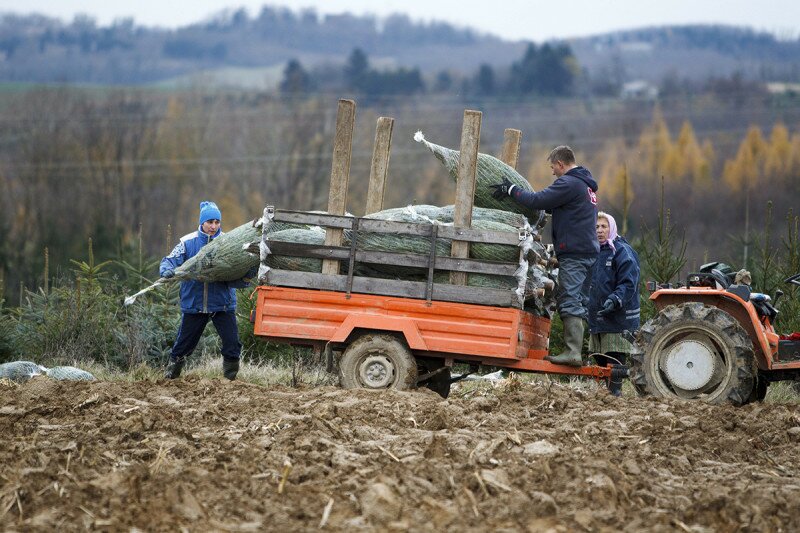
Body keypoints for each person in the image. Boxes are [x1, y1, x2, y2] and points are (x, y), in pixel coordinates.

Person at [491, 145, 598, 366]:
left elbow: (537, 200)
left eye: (553, 168)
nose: (552, 173)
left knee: (569, 299)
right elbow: (564, 209)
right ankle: (575, 350)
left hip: (575, 253)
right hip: (588, 251)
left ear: (561, 164)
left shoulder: (568, 182)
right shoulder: (585, 186)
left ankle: (572, 352)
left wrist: (511, 189)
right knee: (580, 300)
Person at [160, 201, 256, 381]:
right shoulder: (188, 242)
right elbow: (170, 259)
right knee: (183, 346)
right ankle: (170, 378)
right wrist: (166, 269)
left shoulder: (229, 242)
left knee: (232, 344)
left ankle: (230, 380)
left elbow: (237, 276)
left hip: (222, 303)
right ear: (202, 222)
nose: (213, 226)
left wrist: (246, 276)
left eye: (217, 222)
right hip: (194, 304)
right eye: (209, 222)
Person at [588, 211, 640, 396]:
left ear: (612, 228)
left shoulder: (621, 251)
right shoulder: (594, 252)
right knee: (600, 358)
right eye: (596, 227)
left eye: (604, 226)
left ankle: (615, 394)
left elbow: (629, 283)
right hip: (597, 317)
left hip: (617, 318)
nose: (600, 230)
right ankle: (607, 394)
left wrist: (615, 299)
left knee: (615, 358)